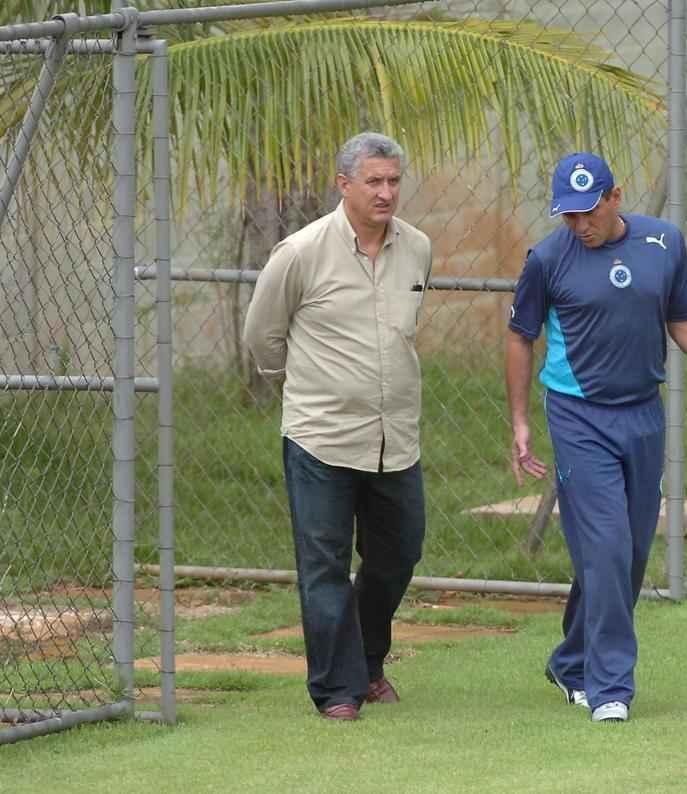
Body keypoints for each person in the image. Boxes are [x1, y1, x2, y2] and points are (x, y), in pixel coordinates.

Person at [506, 152, 687, 723]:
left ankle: (570, 659)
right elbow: (521, 337)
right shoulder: (547, 258)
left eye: (588, 212)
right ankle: (611, 686)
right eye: (568, 215)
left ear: (614, 199)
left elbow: (684, 321)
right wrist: (520, 423)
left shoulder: (663, 243)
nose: (579, 225)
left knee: (629, 554)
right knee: (608, 546)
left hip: (641, 416)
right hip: (577, 418)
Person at [243, 131, 432, 721]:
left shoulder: (419, 248)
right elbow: (261, 336)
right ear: (343, 183)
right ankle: (338, 691)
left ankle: (369, 662)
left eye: (394, 180)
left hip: (395, 438)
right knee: (323, 565)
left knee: (399, 554)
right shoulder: (299, 252)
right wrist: (306, 388)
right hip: (320, 438)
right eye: (373, 181)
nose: (385, 192)